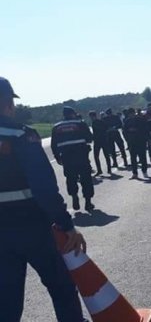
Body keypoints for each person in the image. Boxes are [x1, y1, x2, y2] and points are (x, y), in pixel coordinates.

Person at [0, 77, 87, 322]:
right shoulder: (20, 135)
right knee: (62, 288)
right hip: (32, 229)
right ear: (8, 103)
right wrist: (66, 225)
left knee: (6, 301)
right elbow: (44, 189)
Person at [51, 107, 96, 211]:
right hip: (81, 156)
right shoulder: (80, 124)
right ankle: (88, 202)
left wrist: (57, 157)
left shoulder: (57, 127)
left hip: (67, 157)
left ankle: (74, 197)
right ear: (72, 114)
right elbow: (90, 138)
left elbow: (54, 144)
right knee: (86, 179)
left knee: (71, 178)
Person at [123, 108, 149, 179]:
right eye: (130, 114)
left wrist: (137, 130)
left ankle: (144, 171)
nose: (131, 115)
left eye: (132, 113)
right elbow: (124, 131)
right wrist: (127, 139)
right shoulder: (127, 121)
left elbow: (145, 129)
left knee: (143, 157)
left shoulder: (140, 119)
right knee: (133, 158)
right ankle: (135, 173)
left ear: (134, 113)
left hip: (141, 141)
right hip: (132, 141)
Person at [89, 111, 112, 176]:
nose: (91, 118)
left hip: (101, 140)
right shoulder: (96, 122)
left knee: (105, 155)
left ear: (94, 116)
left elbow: (105, 129)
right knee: (97, 156)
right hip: (99, 140)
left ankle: (107, 169)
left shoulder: (99, 122)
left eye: (91, 116)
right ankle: (101, 170)